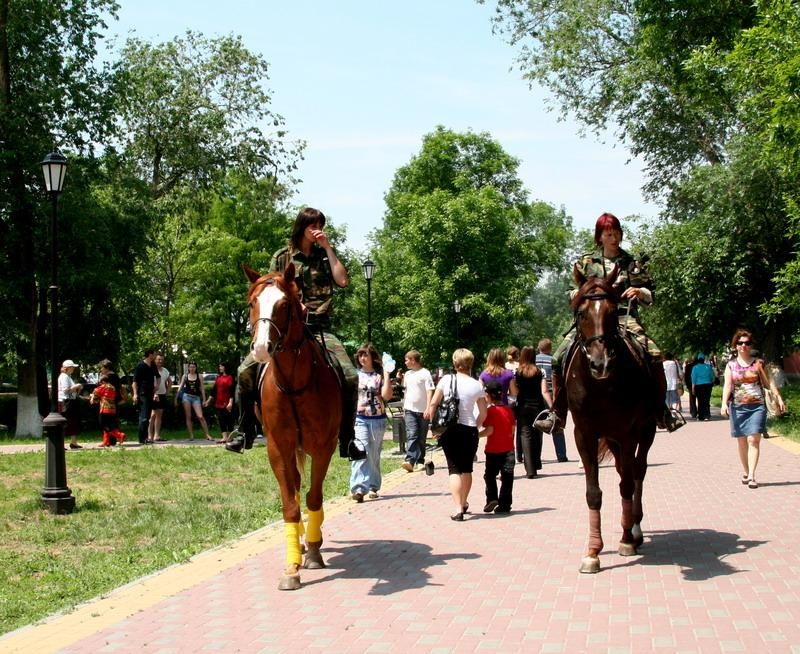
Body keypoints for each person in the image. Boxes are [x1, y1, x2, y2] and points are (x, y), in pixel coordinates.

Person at [226, 207, 357, 456]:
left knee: (350, 375)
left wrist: (328, 248)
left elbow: (342, 281)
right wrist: (296, 304)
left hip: (319, 328)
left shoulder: (324, 255)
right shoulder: (282, 256)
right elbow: (271, 289)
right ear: (301, 226)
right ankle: (244, 430)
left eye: (320, 224)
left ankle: (348, 438)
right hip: (285, 329)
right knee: (245, 370)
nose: (316, 229)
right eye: (312, 224)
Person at [547, 212, 684, 434]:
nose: (614, 238)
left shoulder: (632, 263)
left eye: (617, 233)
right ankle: (557, 412)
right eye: (609, 234)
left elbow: (652, 294)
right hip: (591, 320)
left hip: (623, 317)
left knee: (655, 354)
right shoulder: (585, 262)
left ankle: (662, 410)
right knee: (558, 357)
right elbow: (570, 291)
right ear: (599, 236)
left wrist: (640, 291)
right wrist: (578, 294)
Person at [424, 348, 487, 522]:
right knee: (467, 468)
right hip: (469, 430)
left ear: (454, 363)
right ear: (471, 363)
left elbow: (434, 403)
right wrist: (476, 424)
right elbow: (483, 413)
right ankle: (465, 501)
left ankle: (458, 508)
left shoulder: (446, 380)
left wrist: (434, 427)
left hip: (450, 430)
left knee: (454, 469)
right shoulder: (477, 385)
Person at [720, 329, 785, 489]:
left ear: (751, 345)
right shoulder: (731, 365)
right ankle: (746, 470)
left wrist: (778, 397)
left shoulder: (758, 363)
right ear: (735, 345)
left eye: (747, 343)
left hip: (757, 406)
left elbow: (769, 383)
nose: (744, 346)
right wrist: (723, 404)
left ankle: (751, 476)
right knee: (742, 442)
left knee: (753, 439)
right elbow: (728, 385)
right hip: (737, 407)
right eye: (740, 343)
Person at [350, 344, 393, 503]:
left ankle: (374, 486)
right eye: (360, 355)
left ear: (372, 357)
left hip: (377, 419)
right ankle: (359, 488)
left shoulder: (379, 376)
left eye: (365, 355)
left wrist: (387, 374)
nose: (362, 358)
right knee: (361, 451)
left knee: (374, 454)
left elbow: (387, 396)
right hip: (359, 419)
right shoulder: (354, 375)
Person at [510, 345, 551, 478]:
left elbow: (515, 391)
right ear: (534, 356)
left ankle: (530, 470)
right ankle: (536, 462)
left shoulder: (517, 372)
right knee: (537, 434)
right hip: (538, 406)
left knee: (525, 435)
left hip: (522, 406)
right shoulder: (540, 371)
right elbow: (544, 391)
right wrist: (551, 406)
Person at [479, 381, 516, 514]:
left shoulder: (490, 412)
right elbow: (512, 429)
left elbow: (489, 430)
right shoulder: (509, 410)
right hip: (509, 450)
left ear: (488, 396)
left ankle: (492, 498)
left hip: (493, 450)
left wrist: (477, 435)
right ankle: (505, 505)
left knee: (489, 476)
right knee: (507, 478)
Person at [534, 338, 569, 463]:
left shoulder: (534, 360)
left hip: (537, 396)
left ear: (539, 347)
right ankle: (561, 455)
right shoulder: (554, 361)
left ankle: (536, 455)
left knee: (537, 426)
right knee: (556, 425)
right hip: (552, 396)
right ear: (550, 349)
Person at [400, 350, 435, 473]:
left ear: (413, 360)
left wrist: (429, 408)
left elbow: (430, 390)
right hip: (410, 409)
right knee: (412, 434)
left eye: (407, 360)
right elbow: (406, 392)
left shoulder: (425, 373)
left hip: (422, 411)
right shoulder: (407, 374)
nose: (405, 362)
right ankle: (410, 460)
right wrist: (404, 407)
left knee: (421, 437)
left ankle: (420, 460)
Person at [175, 362, 213, 440]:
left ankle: (207, 434)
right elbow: (180, 387)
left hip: (196, 398)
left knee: (200, 416)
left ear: (196, 368)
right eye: (191, 367)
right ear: (188, 368)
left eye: (194, 367)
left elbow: (202, 388)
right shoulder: (185, 376)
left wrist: (204, 400)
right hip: (186, 397)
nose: (192, 368)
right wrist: (176, 398)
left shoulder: (199, 376)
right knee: (188, 416)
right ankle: (191, 435)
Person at [90, 374, 126, 447]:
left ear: (103, 381)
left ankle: (119, 435)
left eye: (100, 382)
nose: (99, 384)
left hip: (104, 409)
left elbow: (96, 392)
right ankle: (106, 442)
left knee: (102, 425)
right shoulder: (112, 387)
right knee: (108, 425)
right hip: (112, 409)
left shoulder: (104, 386)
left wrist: (92, 397)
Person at [131, 349, 159, 445]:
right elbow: (134, 381)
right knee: (144, 416)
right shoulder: (140, 365)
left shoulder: (153, 365)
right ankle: (142, 438)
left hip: (151, 392)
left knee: (147, 416)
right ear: (150, 355)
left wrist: (157, 387)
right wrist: (135, 394)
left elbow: (158, 377)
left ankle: (144, 437)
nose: (155, 356)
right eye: (154, 354)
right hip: (143, 392)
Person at [206, 362, 235, 444]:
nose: (220, 367)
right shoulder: (219, 377)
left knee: (229, 419)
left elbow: (232, 391)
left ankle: (230, 437)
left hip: (227, 402)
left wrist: (230, 402)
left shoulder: (230, 377)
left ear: (225, 367)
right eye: (219, 366)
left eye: (221, 366)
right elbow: (214, 391)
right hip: (219, 402)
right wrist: (208, 401)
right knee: (221, 419)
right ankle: (224, 437)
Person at [57, 359, 83, 449]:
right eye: (72, 367)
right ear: (68, 368)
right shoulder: (64, 377)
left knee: (73, 421)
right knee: (66, 422)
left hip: (70, 401)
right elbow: (66, 391)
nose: (73, 369)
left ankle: (73, 442)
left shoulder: (68, 376)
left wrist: (77, 388)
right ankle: (61, 443)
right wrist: (76, 386)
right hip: (66, 401)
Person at [148, 354, 171, 443]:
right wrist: (153, 393)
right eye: (158, 359)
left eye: (161, 360)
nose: (160, 361)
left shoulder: (165, 370)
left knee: (159, 415)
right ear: (155, 360)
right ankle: (149, 435)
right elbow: (149, 383)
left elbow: (170, 382)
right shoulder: (151, 369)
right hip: (153, 394)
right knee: (152, 415)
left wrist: (167, 392)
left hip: (162, 394)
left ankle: (157, 435)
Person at [691, 354, 716, 421]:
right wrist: (712, 382)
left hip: (698, 386)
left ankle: (701, 415)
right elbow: (712, 377)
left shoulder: (695, 368)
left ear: (698, 359)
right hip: (707, 385)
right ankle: (707, 415)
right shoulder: (708, 367)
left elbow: (693, 379)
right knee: (707, 400)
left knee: (700, 401)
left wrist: (693, 388)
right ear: (704, 359)